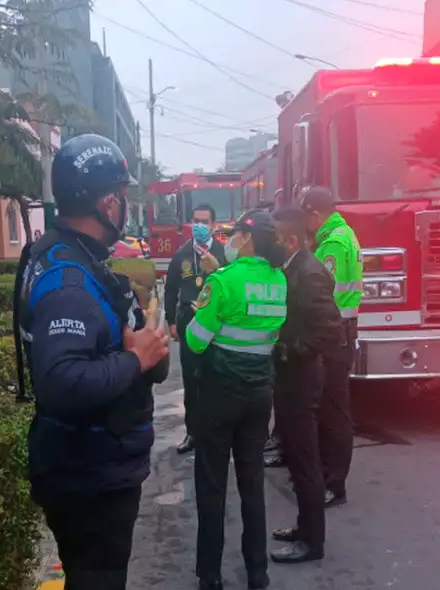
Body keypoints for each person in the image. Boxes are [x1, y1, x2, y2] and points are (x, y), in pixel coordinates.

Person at [16, 134, 170, 589]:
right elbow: (61, 382)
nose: (127, 208)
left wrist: (141, 350)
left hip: (92, 467)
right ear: (106, 202)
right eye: (123, 197)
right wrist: (136, 359)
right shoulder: (69, 282)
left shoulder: (72, 257)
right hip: (89, 475)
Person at [186, 209, 289, 590]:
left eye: (235, 235)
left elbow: (197, 340)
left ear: (247, 239)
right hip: (259, 395)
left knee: (212, 486)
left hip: (219, 396)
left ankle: (210, 575)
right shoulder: (278, 280)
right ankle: (257, 572)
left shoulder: (222, 281)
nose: (229, 241)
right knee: (252, 484)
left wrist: (197, 310)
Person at [267, 206, 345, 564]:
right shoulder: (292, 267)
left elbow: (331, 332)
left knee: (304, 460)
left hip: (301, 376)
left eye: (277, 238)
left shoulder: (310, 273)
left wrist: (290, 351)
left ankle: (312, 542)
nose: (273, 244)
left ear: (293, 240)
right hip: (288, 375)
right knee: (297, 460)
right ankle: (304, 525)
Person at [300, 186, 362, 508]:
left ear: (315, 213)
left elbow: (325, 293)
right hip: (339, 331)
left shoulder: (334, 243)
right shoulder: (342, 233)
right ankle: (329, 477)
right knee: (328, 409)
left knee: (334, 413)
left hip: (334, 335)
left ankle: (334, 483)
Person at [163, 203, 226, 454]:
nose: (200, 225)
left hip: (217, 327)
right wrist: (171, 321)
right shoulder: (181, 254)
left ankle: (217, 432)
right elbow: (169, 289)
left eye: (205, 221)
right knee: (191, 379)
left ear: (213, 225)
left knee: (217, 379)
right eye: (196, 221)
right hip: (188, 323)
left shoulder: (224, 254)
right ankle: (193, 433)